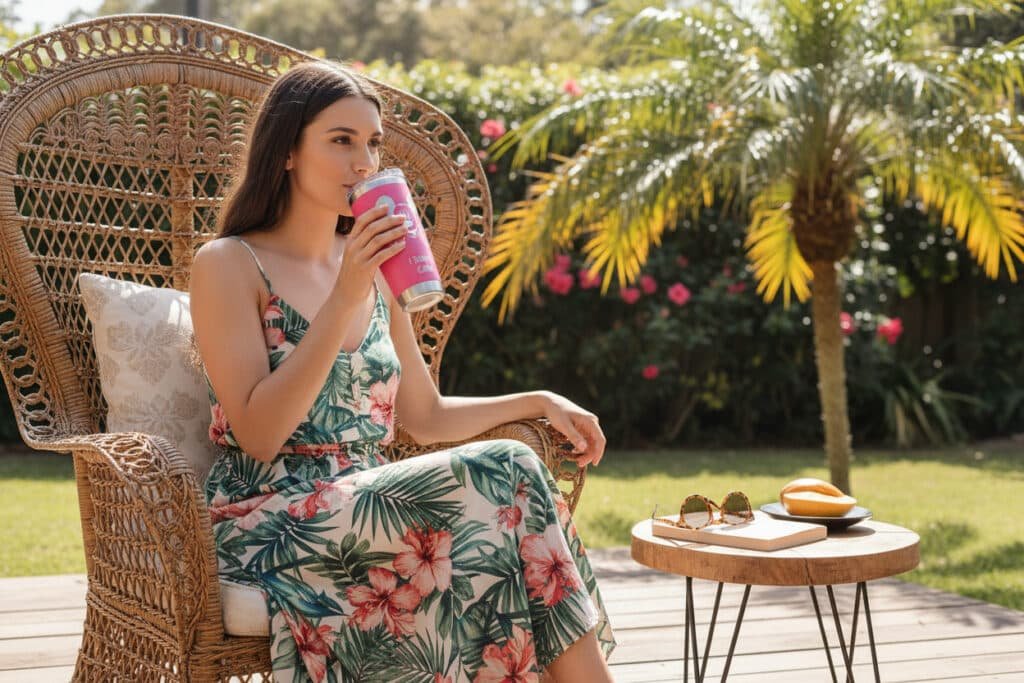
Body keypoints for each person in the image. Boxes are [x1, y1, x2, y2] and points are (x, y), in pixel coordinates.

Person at [189, 60, 616, 682]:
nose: (364, 162)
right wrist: (345, 295)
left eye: (373, 143)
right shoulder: (229, 263)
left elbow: (424, 415)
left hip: (376, 505)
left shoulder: (374, 269)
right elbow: (258, 432)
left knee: (503, 516)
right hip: (269, 522)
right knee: (510, 468)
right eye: (341, 140)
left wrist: (540, 400)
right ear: (285, 152)